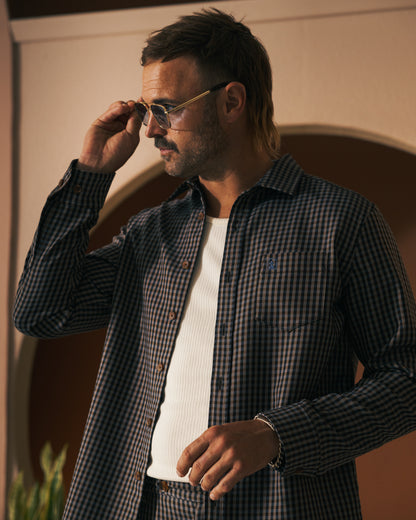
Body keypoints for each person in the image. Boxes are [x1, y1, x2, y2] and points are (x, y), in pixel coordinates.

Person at [13, 8, 416, 520]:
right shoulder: (151, 233)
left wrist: (274, 434)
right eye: (146, 109)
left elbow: (407, 380)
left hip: (276, 506)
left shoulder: (340, 222)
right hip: (144, 506)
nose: (152, 129)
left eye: (167, 108)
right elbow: (41, 311)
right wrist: (91, 174)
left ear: (231, 101)